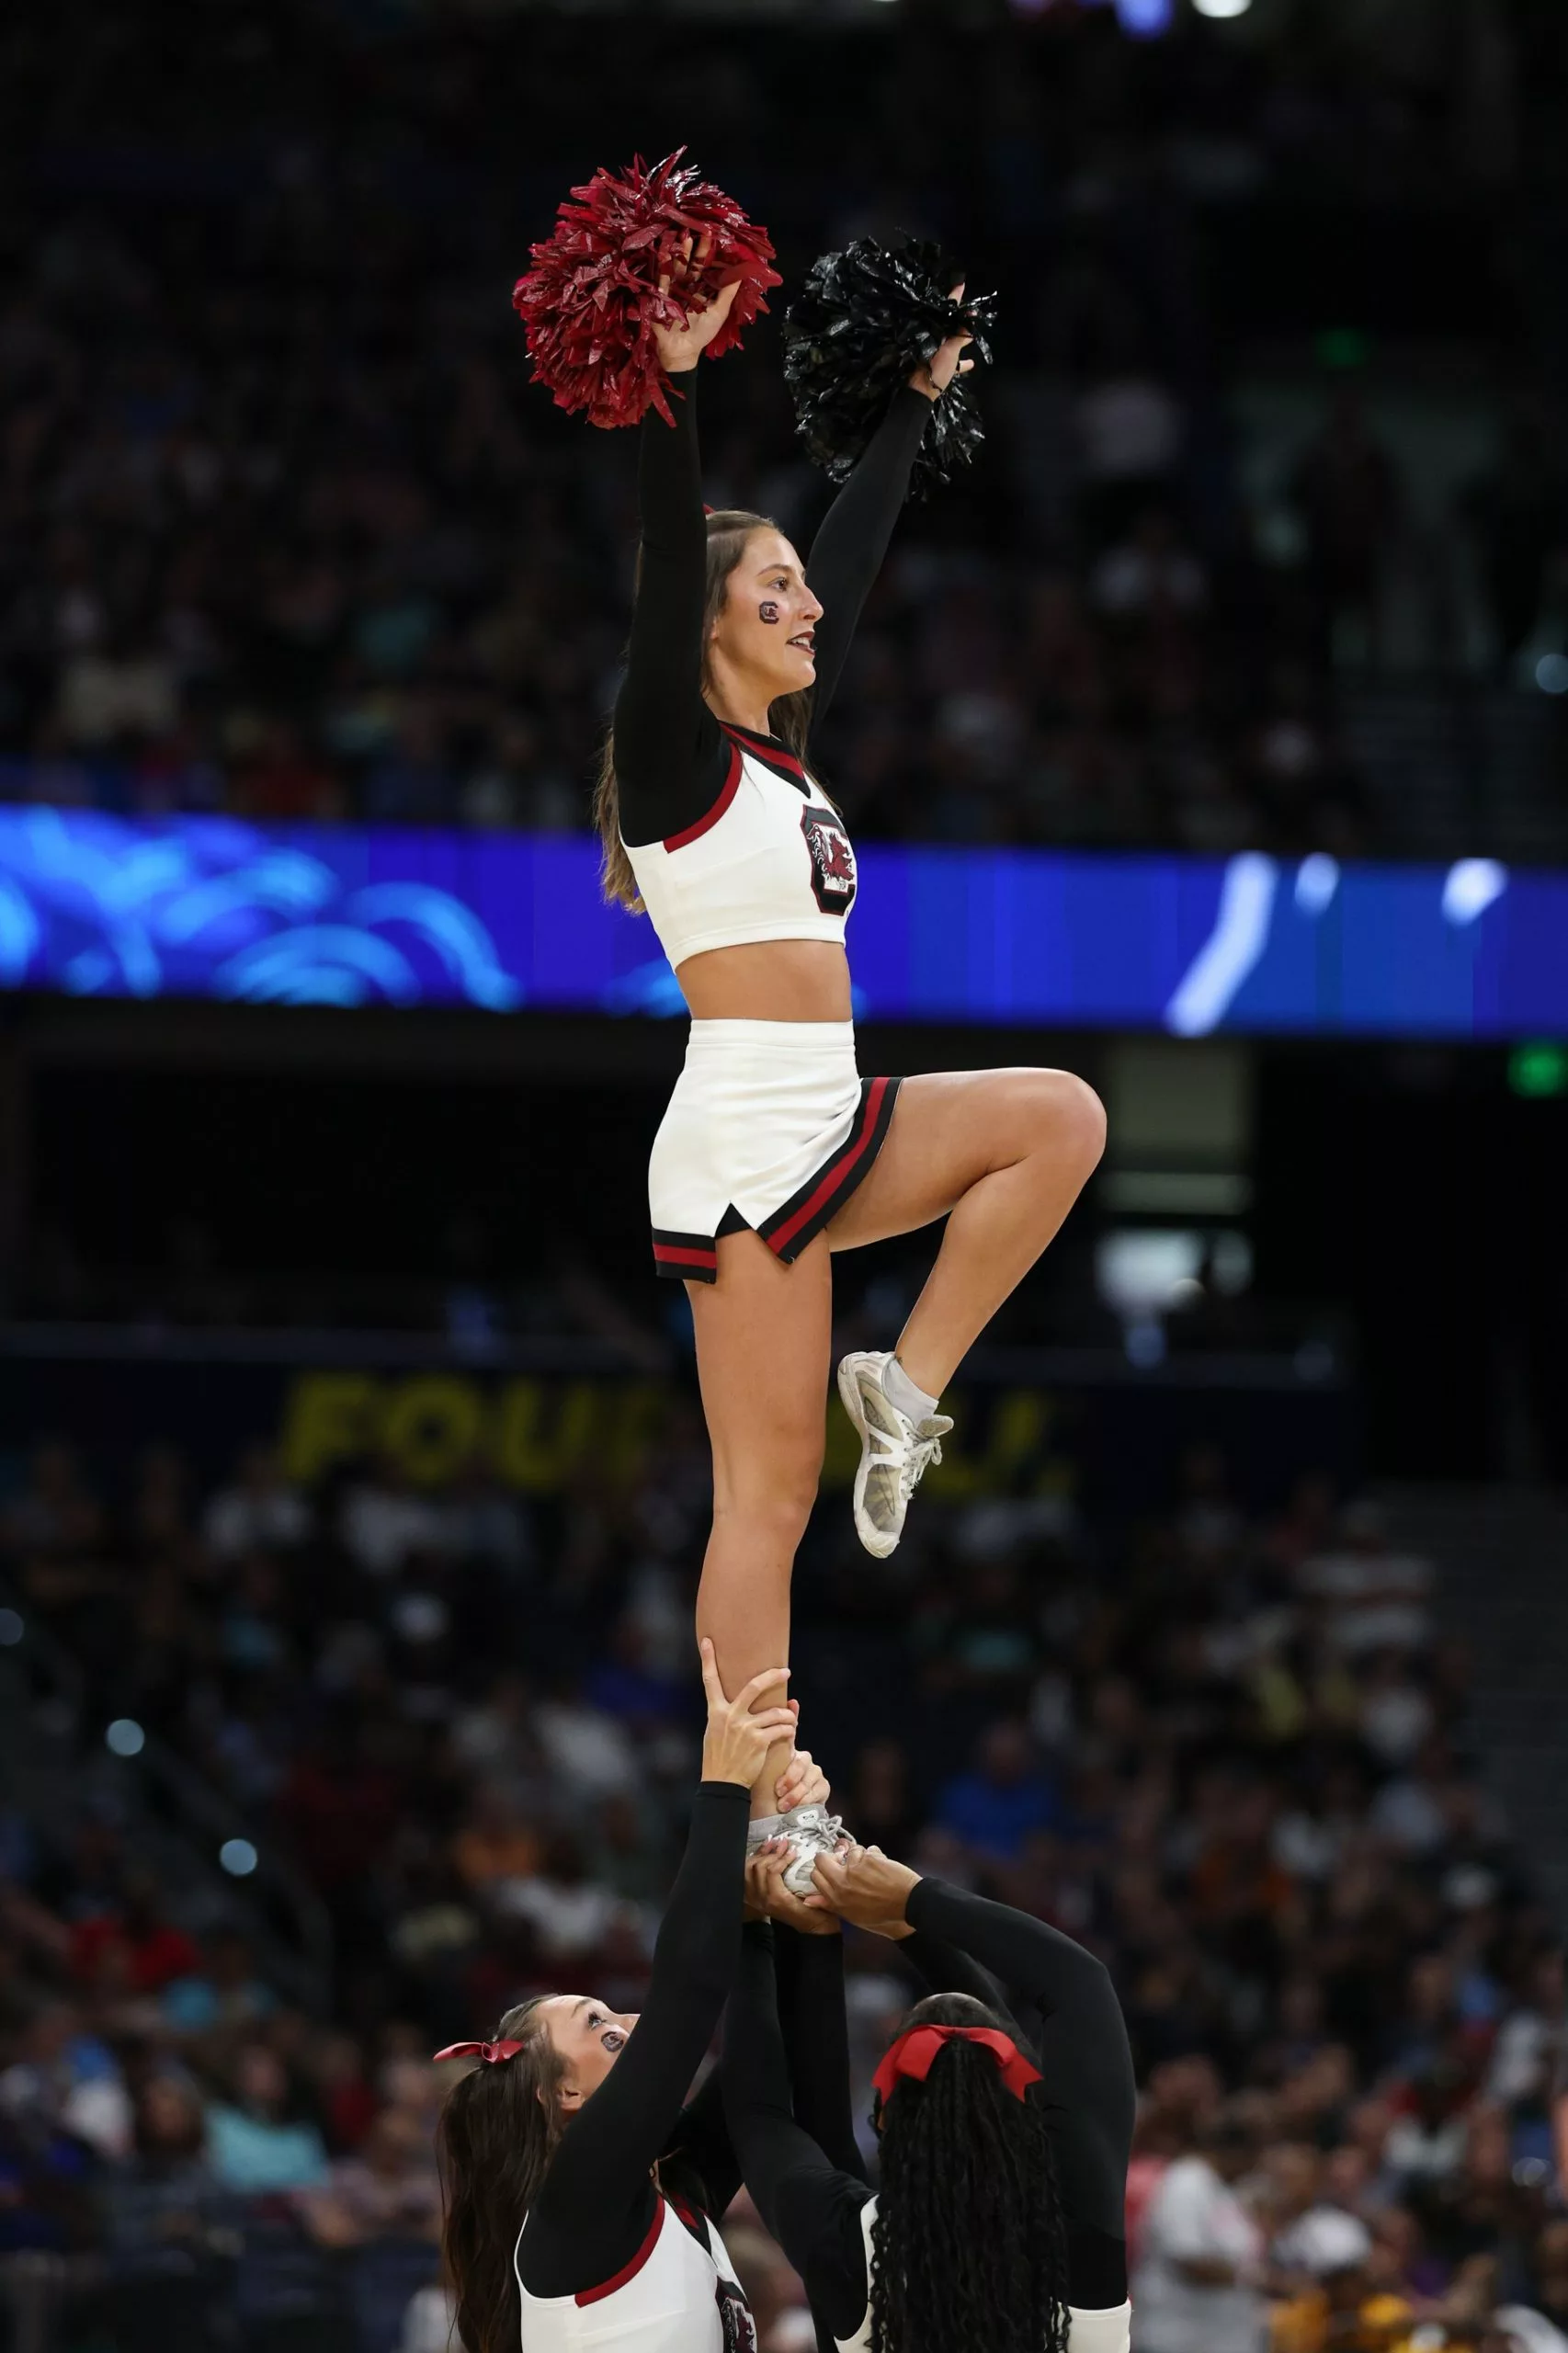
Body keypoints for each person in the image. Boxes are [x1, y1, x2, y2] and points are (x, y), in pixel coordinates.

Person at [598, 235, 1106, 1874]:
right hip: (750, 1131)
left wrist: (908, 402)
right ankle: (765, 1783)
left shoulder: (783, 750)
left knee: (1057, 1118)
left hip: (836, 1105)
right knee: (768, 1504)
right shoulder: (673, 755)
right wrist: (672, 390)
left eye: (801, 593)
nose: (808, 605)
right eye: (773, 596)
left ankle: (911, 1380)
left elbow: (859, 554)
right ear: (706, 631)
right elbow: (678, 560)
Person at [434, 1640, 837, 2353]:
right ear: (564, 2097)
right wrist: (722, 1788)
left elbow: (770, 2079)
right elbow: (687, 1997)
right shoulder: (572, 2208)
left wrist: (794, 1869)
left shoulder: (674, 2198)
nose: (633, 2021)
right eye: (599, 2025)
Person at [722, 1839, 1136, 2353]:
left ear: (883, 2122)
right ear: (1029, 2112)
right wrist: (912, 1907)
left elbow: (795, 2121)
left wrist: (806, 1929)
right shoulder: (1075, 2217)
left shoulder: (852, 2244)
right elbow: (1080, 1982)